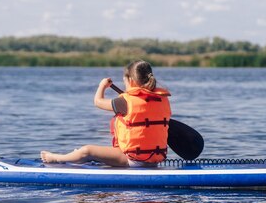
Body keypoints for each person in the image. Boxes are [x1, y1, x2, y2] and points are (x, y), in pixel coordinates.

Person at [41, 60, 171, 167]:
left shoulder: (124, 102)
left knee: (87, 151)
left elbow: (98, 102)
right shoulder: (163, 100)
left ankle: (56, 158)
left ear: (130, 80)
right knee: (99, 153)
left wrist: (102, 86)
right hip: (155, 160)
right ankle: (86, 156)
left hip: (132, 160)